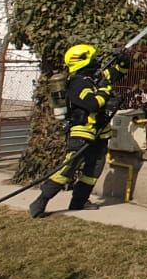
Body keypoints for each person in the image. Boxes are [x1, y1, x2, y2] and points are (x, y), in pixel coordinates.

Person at [28, 44, 129, 217]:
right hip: (82, 132)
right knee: (68, 169)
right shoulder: (77, 83)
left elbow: (119, 72)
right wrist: (105, 89)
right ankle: (41, 201)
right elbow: (92, 104)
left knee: (94, 170)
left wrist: (123, 60)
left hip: (100, 132)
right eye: (93, 58)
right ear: (83, 61)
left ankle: (79, 201)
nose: (97, 60)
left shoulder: (95, 77)